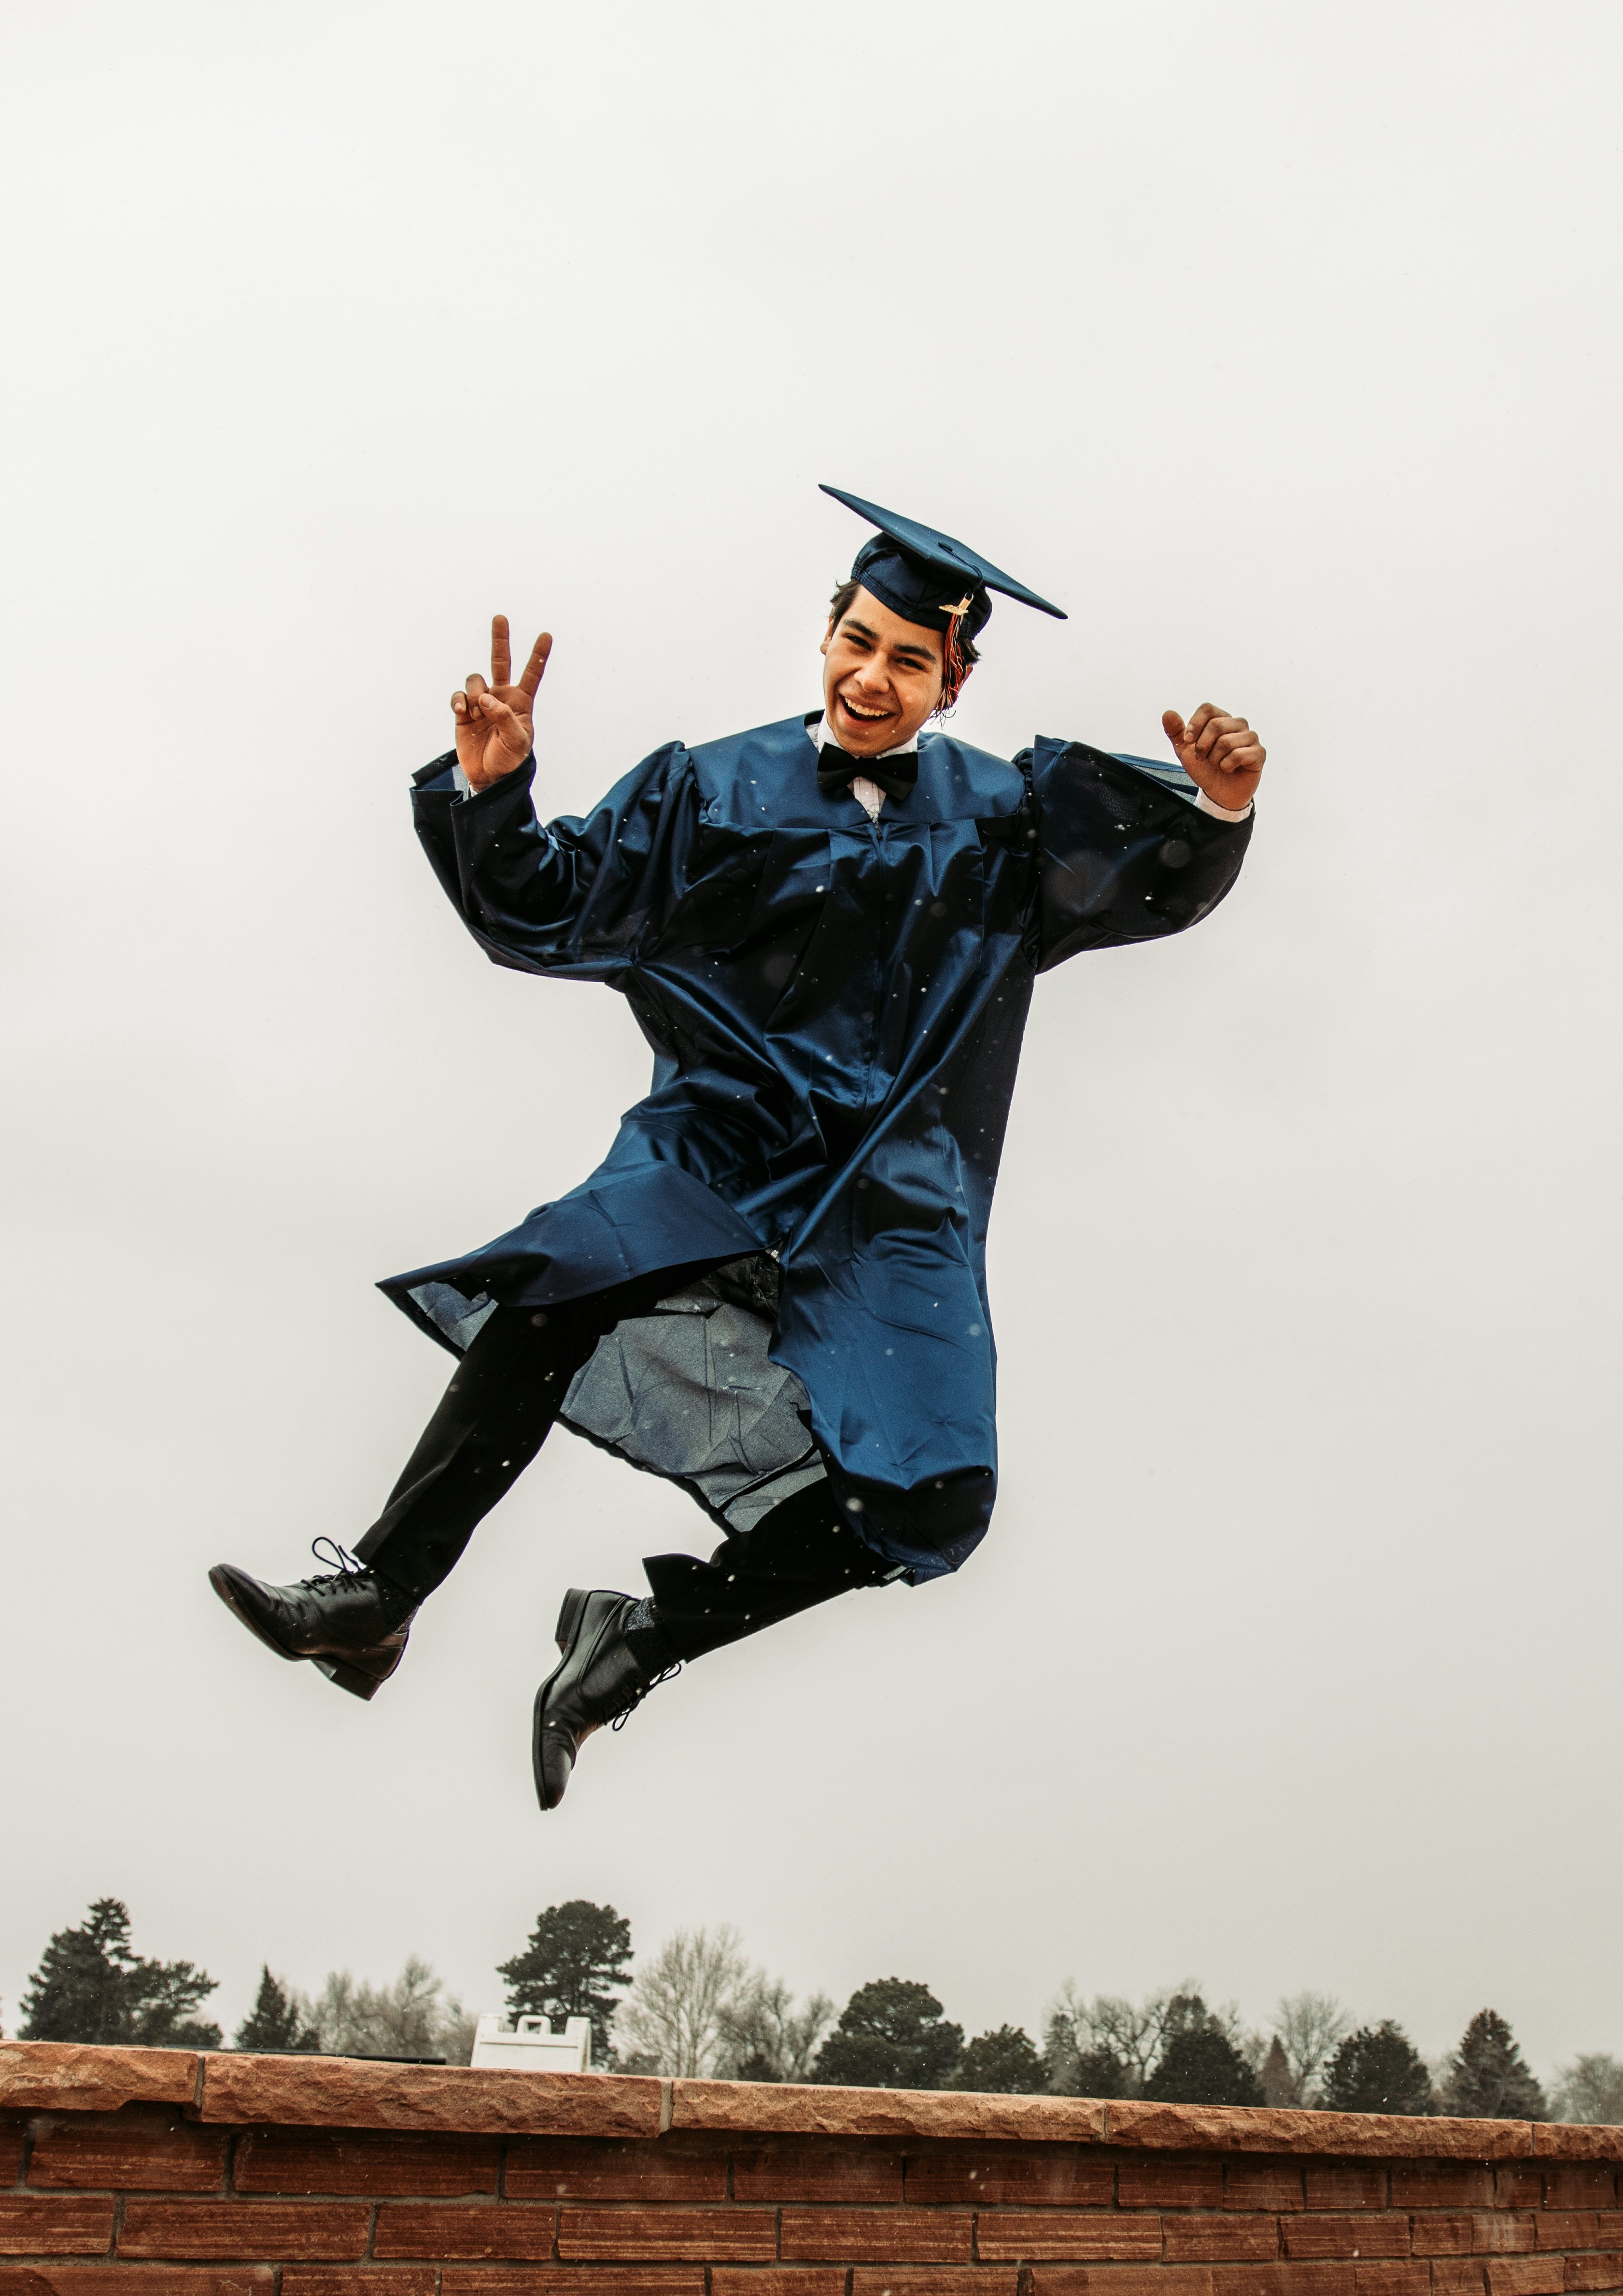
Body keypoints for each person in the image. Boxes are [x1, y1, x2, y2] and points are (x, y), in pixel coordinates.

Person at [210, 486, 1267, 1809]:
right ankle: (379, 1592)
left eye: (909, 660)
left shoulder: (1009, 819)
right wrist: (493, 795)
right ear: (827, 631)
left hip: (893, 1197)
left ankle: (641, 1636)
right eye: (858, 641)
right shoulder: (713, 792)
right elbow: (541, 908)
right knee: (557, 1283)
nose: (872, 678)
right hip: (723, 1141)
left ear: (956, 678)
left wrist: (1219, 812)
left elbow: (1150, 873)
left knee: (933, 1500)